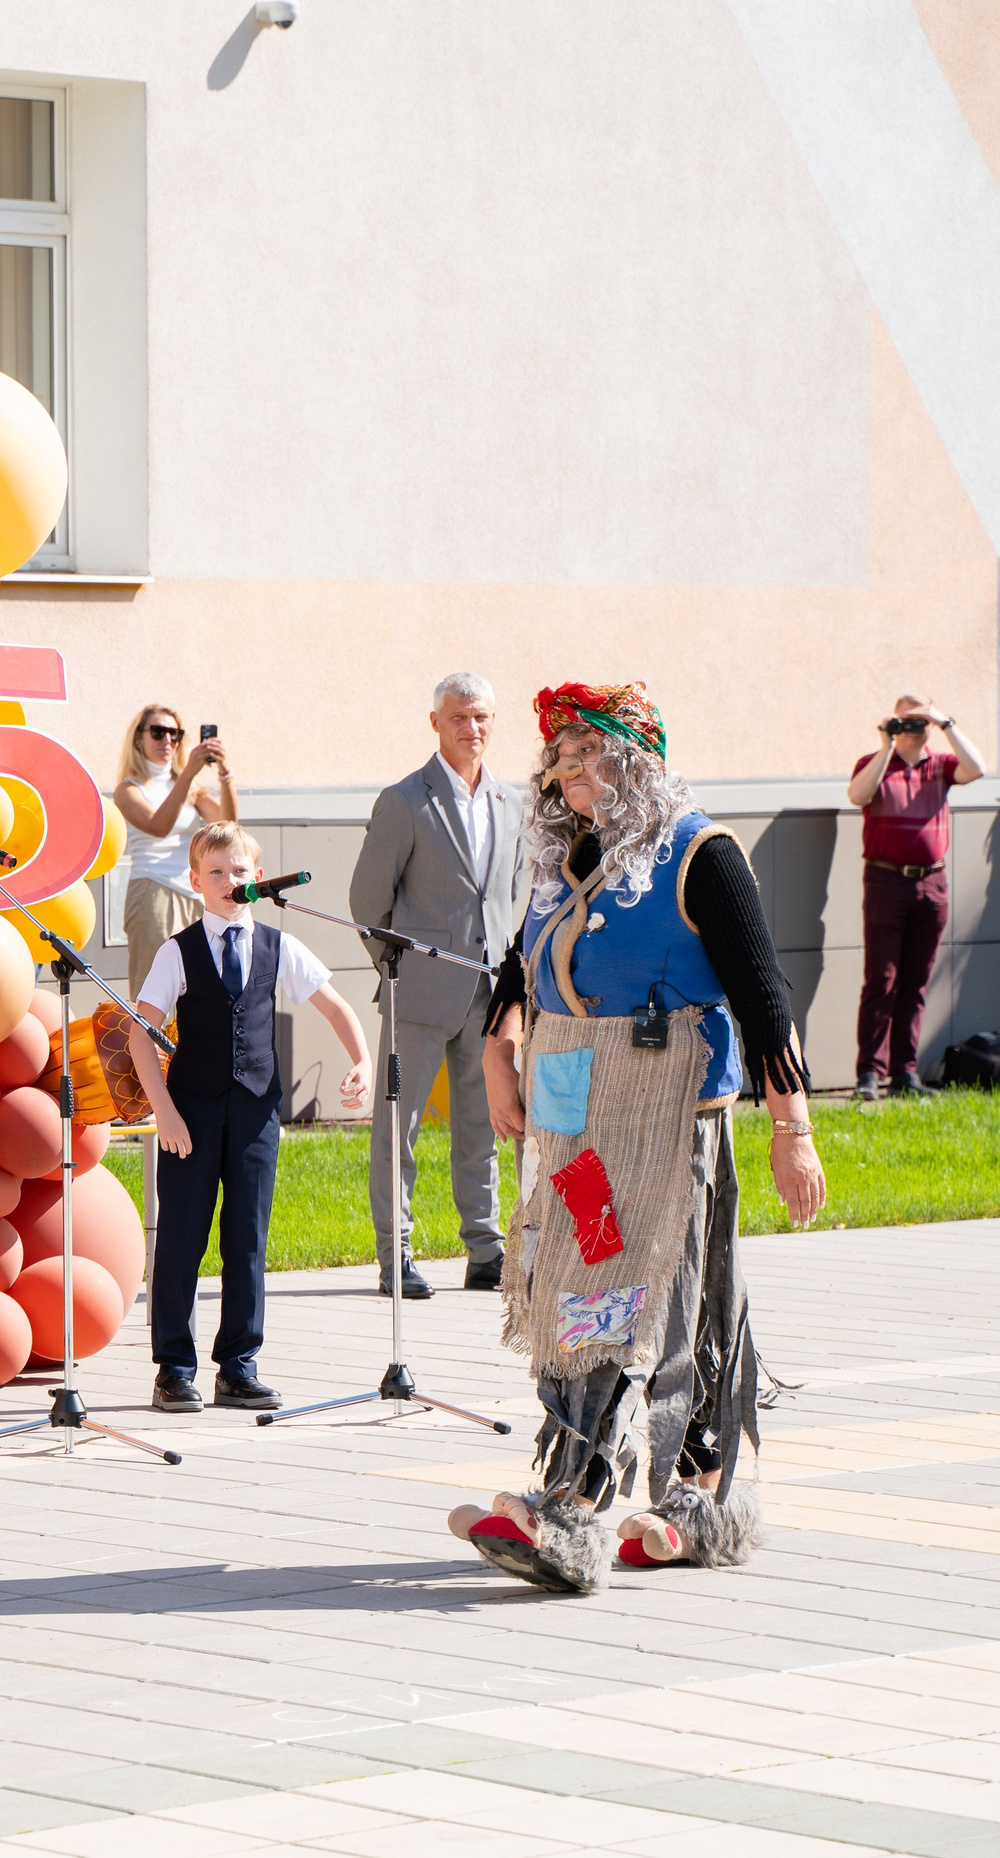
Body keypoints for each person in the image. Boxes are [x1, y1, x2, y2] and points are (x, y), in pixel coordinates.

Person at [450, 681, 827, 1593]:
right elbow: (520, 968)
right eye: (561, 757)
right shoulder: (568, 857)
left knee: (655, 1290)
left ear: (640, 758)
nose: (571, 771)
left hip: (667, 1111)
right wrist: (500, 1059)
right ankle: (674, 1499)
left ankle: (585, 1504)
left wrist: (793, 1130)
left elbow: (764, 998)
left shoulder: (702, 854)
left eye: (591, 752)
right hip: (576, 1118)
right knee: (594, 1279)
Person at [134, 822, 371, 1415]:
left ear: (257, 880)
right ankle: (174, 1369)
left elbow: (335, 1004)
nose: (229, 881)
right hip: (189, 1114)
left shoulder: (278, 946)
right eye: (216, 872)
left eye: (240, 871)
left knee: (247, 1240)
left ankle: (238, 1365)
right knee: (183, 1239)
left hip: (255, 1114)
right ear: (194, 882)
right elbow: (142, 1036)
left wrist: (363, 1059)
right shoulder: (177, 951)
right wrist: (164, 1112)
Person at [350, 672, 524, 1299]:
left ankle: (486, 1250)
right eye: (458, 718)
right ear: (435, 723)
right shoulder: (404, 801)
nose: (471, 729)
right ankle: (395, 1255)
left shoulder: (511, 803)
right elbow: (367, 902)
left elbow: (506, 896)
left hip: (491, 996)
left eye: (481, 717)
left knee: (486, 1122)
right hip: (418, 992)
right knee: (401, 1127)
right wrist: (395, 971)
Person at [850, 696, 983, 1098]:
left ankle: (905, 1073)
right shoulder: (873, 762)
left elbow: (977, 769)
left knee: (916, 982)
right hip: (886, 880)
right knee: (882, 979)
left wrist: (946, 722)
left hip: (932, 884)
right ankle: (869, 1075)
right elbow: (858, 795)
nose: (916, 728)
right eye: (907, 720)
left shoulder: (940, 765)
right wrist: (886, 744)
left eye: (921, 720)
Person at [112, 703, 234, 983]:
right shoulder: (129, 788)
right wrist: (189, 773)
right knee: (154, 987)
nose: (167, 740)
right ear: (138, 739)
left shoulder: (188, 787)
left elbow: (227, 823)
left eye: (175, 734)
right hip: (153, 889)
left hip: (195, 893)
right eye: (158, 732)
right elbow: (158, 826)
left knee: (196, 990)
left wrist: (225, 773)